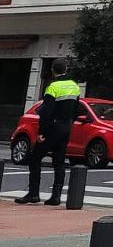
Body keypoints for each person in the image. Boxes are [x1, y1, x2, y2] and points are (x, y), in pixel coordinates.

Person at [16, 59, 80, 206]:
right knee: (59, 161)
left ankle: (33, 193)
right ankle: (56, 196)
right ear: (66, 69)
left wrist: (42, 132)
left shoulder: (53, 87)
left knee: (35, 158)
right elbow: (77, 109)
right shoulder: (74, 86)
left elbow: (46, 112)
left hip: (53, 127)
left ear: (53, 70)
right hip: (66, 127)